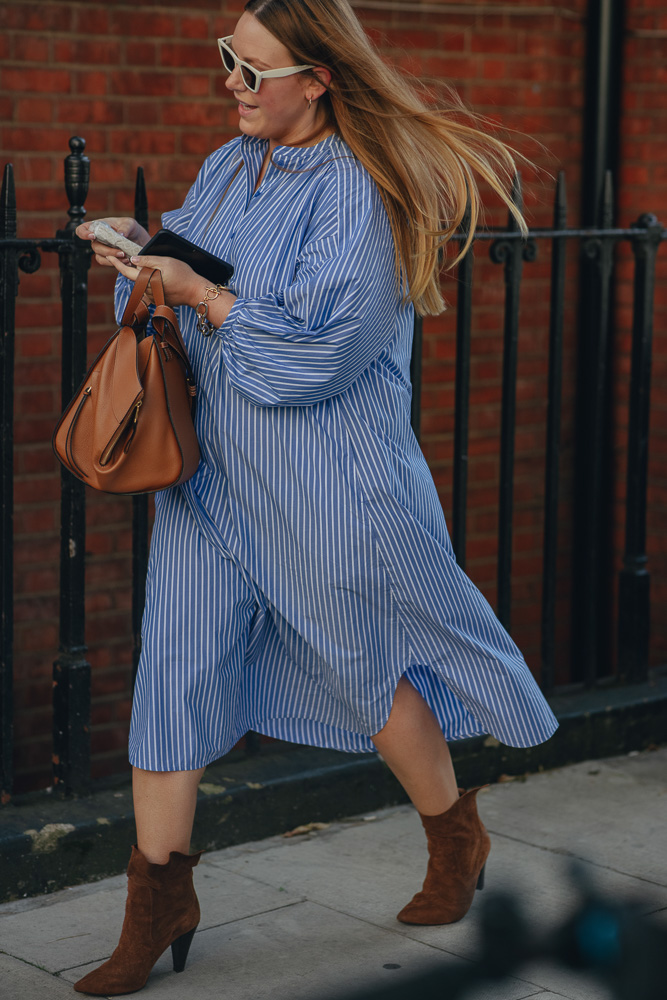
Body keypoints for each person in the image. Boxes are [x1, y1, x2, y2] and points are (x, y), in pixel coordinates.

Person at [73, 0, 558, 994]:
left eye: (253, 70)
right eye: (228, 61)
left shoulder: (360, 193)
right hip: (209, 481)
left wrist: (202, 295)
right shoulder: (225, 165)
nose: (232, 84)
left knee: (362, 668)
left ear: (320, 76)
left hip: (321, 483)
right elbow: (190, 278)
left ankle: (452, 835)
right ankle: (158, 896)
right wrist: (142, 266)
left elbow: (320, 356)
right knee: (175, 667)